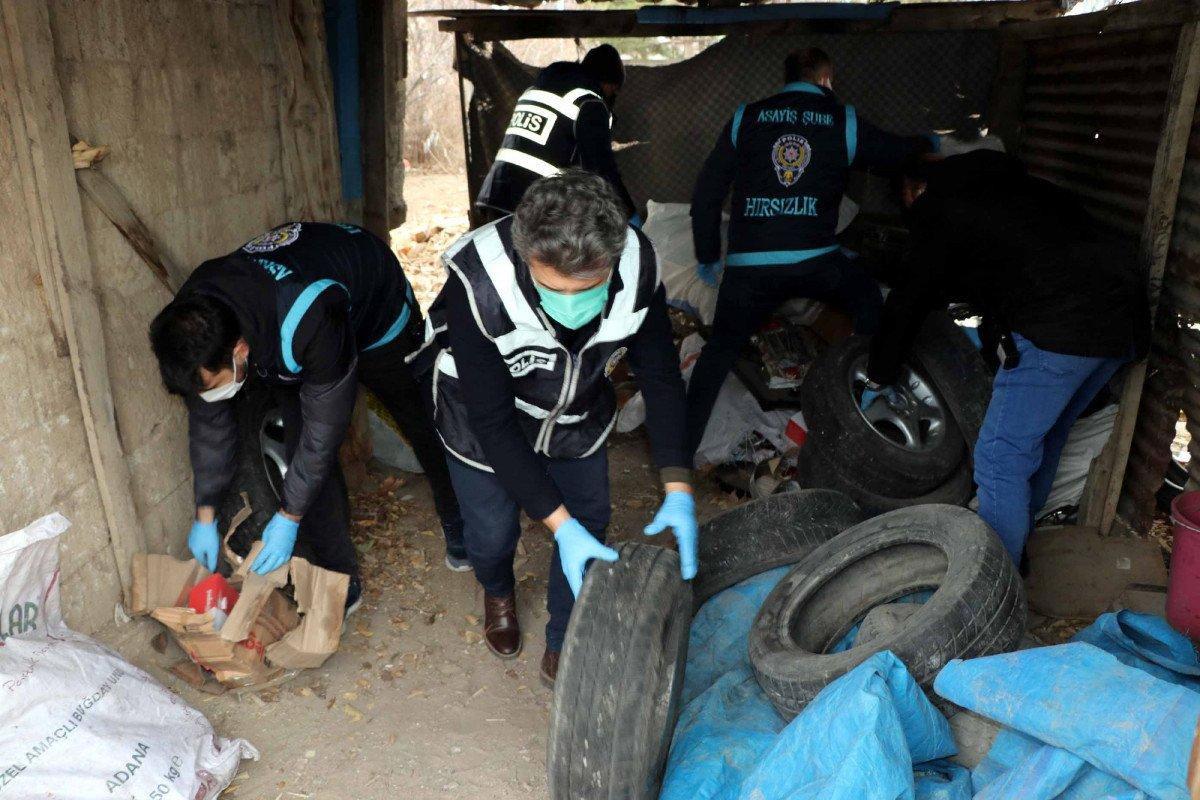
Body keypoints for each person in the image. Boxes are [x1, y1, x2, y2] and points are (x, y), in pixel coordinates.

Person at [413, 170, 696, 685]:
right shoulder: (480, 280)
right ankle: (497, 589)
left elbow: (659, 373)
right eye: (552, 286)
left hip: (573, 408)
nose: (571, 304)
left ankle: (565, 634)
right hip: (481, 420)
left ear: (612, 259)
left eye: (589, 287)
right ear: (525, 256)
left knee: (590, 522)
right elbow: (494, 424)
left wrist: (677, 484)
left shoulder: (639, 264)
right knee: (492, 532)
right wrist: (557, 527)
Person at [149, 222, 468, 610]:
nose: (211, 393)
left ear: (239, 349)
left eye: (214, 383)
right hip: (285, 328)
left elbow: (325, 430)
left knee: (416, 413)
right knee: (303, 452)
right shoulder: (195, 321)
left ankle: (457, 517)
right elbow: (209, 426)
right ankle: (338, 578)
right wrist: (204, 514)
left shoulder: (309, 316)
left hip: (373, 306)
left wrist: (288, 517)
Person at [864, 149, 1150, 564]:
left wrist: (879, 371)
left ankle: (995, 584)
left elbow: (910, 297)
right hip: (1122, 321)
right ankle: (1017, 547)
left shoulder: (940, 207)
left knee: (999, 458)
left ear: (911, 189)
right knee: (1043, 439)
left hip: (1063, 329)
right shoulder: (1020, 189)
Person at [686, 47, 932, 455]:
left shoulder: (746, 117)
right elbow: (898, 152)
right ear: (826, 78)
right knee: (868, 298)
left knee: (719, 353)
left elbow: (707, 193)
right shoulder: (843, 120)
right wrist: (929, 141)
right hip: (815, 260)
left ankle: (681, 455)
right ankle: (869, 390)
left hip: (750, 267)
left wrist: (709, 253)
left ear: (786, 78)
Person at [475, 44, 638, 224]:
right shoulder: (588, 102)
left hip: (493, 197)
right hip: (532, 210)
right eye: (614, 89)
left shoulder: (536, 89)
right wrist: (628, 213)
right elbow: (601, 169)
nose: (612, 96)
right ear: (608, 82)